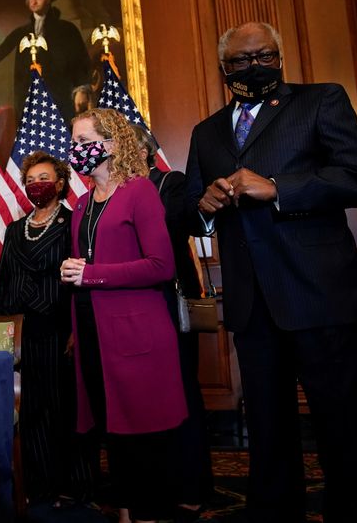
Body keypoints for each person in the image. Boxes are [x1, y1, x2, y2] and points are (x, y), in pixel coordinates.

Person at [184, 21, 357, 522]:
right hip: (252, 303)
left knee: (344, 420)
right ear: (224, 68)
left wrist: (278, 187)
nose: (255, 66)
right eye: (242, 61)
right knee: (268, 425)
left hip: (319, 292)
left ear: (280, 56)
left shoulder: (321, 101)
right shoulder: (206, 131)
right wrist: (205, 206)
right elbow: (191, 210)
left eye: (265, 56)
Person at [61, 108, 187, 523]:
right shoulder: (80, 204)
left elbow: (161, 266)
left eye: (83, 141)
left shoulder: (139, 192)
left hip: (138, 336)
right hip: (94, 334)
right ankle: (128, 514)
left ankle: (150, 513)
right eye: (74, 142)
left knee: (143, 435)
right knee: (112, 432)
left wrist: (91, 275)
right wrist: (76, 273)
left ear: (113, 144)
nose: (76, 150)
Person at [0, 150, 96, 506]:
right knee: (31, 409)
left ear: (61, 183)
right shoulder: (15, 229)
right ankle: (38, 484)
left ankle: (76, 484)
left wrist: (77, 329)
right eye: (31, 180)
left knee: (64, 407)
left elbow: (82, 279)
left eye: (44, 178)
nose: (37, 185)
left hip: (59, 329)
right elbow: (4, 280)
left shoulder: (74, 223)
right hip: (22, 331)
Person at [135, 130, 213, 522]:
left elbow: (171, 232)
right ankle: (154, 485)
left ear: (146, 153)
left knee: (181, 391)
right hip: (131, 308)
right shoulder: (110, 193)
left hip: (168, 299)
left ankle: (192, 485)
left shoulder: (171, 182)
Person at [0, 0, 90, 125]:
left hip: (59, 95)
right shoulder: (21, 32)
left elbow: (79, 60)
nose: (34, 1)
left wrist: (81, 89)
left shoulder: (67, 29)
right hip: (29, 98)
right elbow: (0, 52)